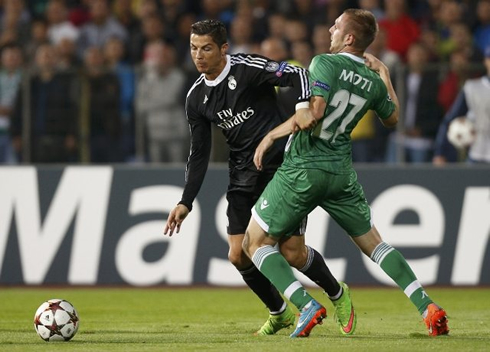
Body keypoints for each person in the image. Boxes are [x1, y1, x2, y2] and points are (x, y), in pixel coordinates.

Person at [243, 8, 449, 338]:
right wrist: (383, 72)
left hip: (303, 168)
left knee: (254, 243)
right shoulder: (372, 79)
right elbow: (393, 120)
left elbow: (314, 113)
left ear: (349, 37)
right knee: (375, 244)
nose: (330, 29)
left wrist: (271, 135)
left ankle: (304, 303)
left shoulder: (324, 62)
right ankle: (427, 307)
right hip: (341, 172)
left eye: (336, 26)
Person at [164, 19, 356, 337]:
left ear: (223, 49)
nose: (199, 55)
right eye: (194, 48)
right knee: (238, 254)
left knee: (292, 252)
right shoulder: (196, 98)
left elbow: (296, 73)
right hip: (241, 174)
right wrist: (186, 200)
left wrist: (303, 106)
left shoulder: (247, 68)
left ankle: (337, 294)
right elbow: (199, 152)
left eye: (206, 48)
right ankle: (279, 312)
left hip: (281, 167)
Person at [433, 46, 490, 164]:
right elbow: (451, 119)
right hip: (477, 153)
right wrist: (440, 152)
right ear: (485, 61)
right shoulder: (472, 87)